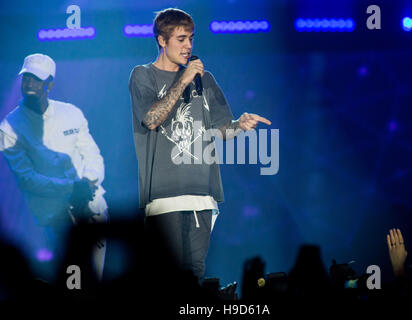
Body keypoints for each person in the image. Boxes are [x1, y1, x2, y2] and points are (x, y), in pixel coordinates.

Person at [128, 8, 271, 281]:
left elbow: (222, 131)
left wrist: (239, 125)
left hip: (202, 195)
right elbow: (151, 119)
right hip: (163, 196)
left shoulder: (205, 80)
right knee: (165, 276)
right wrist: (183, 80)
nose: (188, 46)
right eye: (181, 39)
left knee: (195, 273)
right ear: (162, 40)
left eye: (191, 39)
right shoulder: (142, 75)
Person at [0, 53, 108, 281]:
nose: (29, 84)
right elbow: (27, 178)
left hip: (92, 208)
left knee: (94, 279)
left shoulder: (71, 113)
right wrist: (71, 188)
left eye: (37, 79)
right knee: (74, 281)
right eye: (26, 78)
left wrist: (88, 182)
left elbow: (93, 155)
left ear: (50, 83)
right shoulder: (9, 127)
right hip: (56, 215)